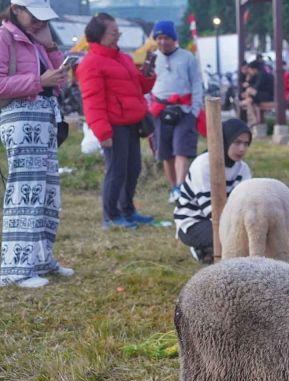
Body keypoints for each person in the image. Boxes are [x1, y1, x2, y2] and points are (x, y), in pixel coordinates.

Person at [0, 0, 71, 288]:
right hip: (21, 119)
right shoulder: (4, 36)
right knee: (25, 193)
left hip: (44, 120)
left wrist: (51, 47)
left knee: (47, 193)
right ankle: (16, 268)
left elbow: (61, 83)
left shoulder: (34, 40)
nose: (40, 21)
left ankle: (41, 259)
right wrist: (38, 81)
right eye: (34, 15)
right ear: (16, 9)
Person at [77, 12, 156, 230]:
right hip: (113, 125)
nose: (118, 35)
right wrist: (103, 133)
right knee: (116, 170)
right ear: (99, 35)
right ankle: (111, 216)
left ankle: (127, 210)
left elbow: (142, 87)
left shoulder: (123, 58)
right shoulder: (91, 64)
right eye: (114, 32)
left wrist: (148, 72)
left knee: (133, 169)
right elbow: (93, 102)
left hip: (132, 123)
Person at [173, 118, 252, 264]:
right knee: (234, 239)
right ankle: (200, 247)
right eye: (237, 142)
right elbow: (209, 208)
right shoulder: (203, 164)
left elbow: (245, 203)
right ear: (225, 139)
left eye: (246, 144)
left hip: (227, 220)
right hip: (193, 221)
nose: (242, 149)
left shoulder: (243, 169)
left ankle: (211, 250)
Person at [150, 20, 203, 204]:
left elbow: (196, 83)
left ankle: (181, 187)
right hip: (160, 109)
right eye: (159, 38)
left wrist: (195, 110)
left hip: (184, 109)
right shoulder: (153, 58)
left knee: (181, 149)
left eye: (166, 37)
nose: (162, 41)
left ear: (174, 38)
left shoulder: (188, 57)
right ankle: (173, 187)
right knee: (165, 153)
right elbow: (146, 85)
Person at [241, 60, 273, 127]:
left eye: (250, 70)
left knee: (249, 95)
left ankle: (253, 121)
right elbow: (252, 86)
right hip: (261, 95)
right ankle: (253, 120)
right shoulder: (258, 74)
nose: (249, 72)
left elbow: (256, 87)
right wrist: (248, 80)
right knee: (249, 100)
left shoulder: (262, 74)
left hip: (268, 96)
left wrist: (248, 89)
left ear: (254, 69)